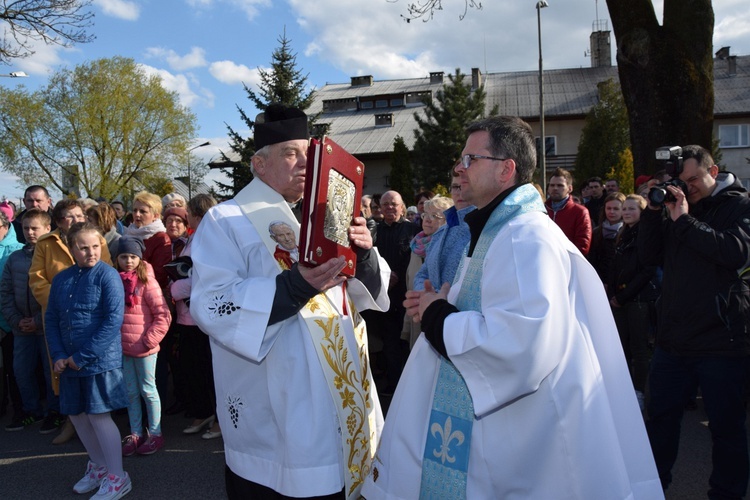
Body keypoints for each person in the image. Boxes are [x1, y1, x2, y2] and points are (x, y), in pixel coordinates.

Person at [362, 115, 661, 499]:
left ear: (506, 170)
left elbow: (521, 345)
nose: (458, 167)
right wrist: (446, 300)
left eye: (471, 158)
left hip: (519, 437)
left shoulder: (523, 237)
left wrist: (438, 312)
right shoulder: (499, 229)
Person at [189, 103, 390, 499]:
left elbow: (360, 296)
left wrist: (364, 255)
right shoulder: (226, 220)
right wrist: (294, 288)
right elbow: (212, 304)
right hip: (280, 401)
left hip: (340, 391)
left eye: (308, 154)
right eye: (290, 153)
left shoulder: (323, 215)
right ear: (259, 165)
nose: (303, 163)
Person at [638, 145, 750, 498]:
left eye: (693, 180)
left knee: (726, 430)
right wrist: (654, 213)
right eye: (681, 182)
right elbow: (648, 256)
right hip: (673, 341)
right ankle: (653, 487)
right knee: (660, 422)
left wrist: (685, 221)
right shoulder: (676, 208)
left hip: (722, 342)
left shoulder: (740, 205)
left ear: (713, 172)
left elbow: (734, 253)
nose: (688, 188)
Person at [45, 222, 131, 498]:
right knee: (77, 416)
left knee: (98, 416)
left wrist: (80, 357)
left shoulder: (108, 276)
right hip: (68, 362)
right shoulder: (61, 279)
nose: (91, 252)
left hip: (98, 362)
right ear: (72, 250)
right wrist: (58, 355)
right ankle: (100, 467)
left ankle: (118, 477)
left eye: (95, 246)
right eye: (83, 248)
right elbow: (52, 321)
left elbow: (112, 321)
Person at [29, 199, 113, 444]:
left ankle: (98, 420)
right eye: (69, 216)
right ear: (57, 221)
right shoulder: (46, 244)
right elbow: (37, 279)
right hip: (59, 318)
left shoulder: (98, 240)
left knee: (89, 366)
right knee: (62, 369)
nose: (76, 220)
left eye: (79, 215)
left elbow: (105, 271)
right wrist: (61, 303)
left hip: (90, 316)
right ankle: (71, 420)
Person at [1, 209, 62, 433]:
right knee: (21, 371)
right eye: (26, 228)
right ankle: (31, 411)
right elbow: (5, 291)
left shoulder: (53, 256)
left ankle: (55, 412)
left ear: (47, 229)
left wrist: (38, 320)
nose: (29, 232)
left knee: (50, 372)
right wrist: (16, 320)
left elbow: (56, 293)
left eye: (34, 228)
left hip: (45, 326)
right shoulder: (14, 258)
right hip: (21, 328)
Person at [171, 194, 222, 440]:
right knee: (193, 370)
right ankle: (203, 413)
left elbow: (204, 278)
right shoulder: (195, 236)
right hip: (187, 317)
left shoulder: (212, 239)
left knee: (211, 372)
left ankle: (221, 420)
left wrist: (174, 289)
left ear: (198, 215)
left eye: (188, 213)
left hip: (204, 317)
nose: (185, 217)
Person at [116, 237, 171, 457]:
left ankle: (155, 433)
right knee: (130, 392)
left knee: (148, 390)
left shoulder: (147, 281)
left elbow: (163, 315)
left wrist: (149, 340)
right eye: (123, 256)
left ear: (140, 258)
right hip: (124, 348)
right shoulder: (115, 280)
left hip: (145, 348)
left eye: (132, 256)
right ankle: (136, 432)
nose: (128, 261)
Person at [608, 194, 658, 411]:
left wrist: (623, 296)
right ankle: (624, 390)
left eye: (632, 209)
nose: (627, 212)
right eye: (624, 209)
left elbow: (647, 270)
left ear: (642, 211)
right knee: (623, 347)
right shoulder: (623, 233)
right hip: (620, 300)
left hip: (637, 300)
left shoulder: (645, 234)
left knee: (639, 349)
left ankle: (638, 392)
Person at [369, 189, 418, 394]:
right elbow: (370, 256)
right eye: (385, 204)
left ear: (402, 207)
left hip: (407, 294)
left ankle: (412, 385)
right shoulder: (376, 231)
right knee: (389, 342)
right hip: (384, 295)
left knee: (408, 341)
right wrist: (385, 275)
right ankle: (395, 384)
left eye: (393, 204)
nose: (389, 207)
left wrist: (397, 273)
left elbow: (416, 256)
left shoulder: (413, 229)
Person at [413, 166, 475, 294]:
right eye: (455, 187)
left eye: (465, 185)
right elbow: (422, 274)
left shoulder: (483, 230)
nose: (460, 192)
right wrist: (426, 296)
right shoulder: (440, 233)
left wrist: (440, 302)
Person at [402, 196, 453, 349]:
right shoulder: (416, 245)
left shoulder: (448, 248)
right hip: (415, 309)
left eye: (435, 216)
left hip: (436, 313)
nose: (428, 220)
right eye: (425, 215)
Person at [0, 210, 24, 420]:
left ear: (6, 227)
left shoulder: (18, 252)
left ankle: (20, 410)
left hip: (12, 322)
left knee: (15, 369)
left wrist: (12, 320)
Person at [123, 192, 172, 290]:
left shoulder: (161, 238)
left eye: (143, 211)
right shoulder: (128, 234)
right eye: (135, 210)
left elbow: (160, 276)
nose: (137, 214)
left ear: (155, 216)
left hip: (148, 292)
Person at [545, 167, 592, 255]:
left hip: (568, 263)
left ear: (570, 188)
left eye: (560, 185)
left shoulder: (580, 212)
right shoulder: (541, 210)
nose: (555, 188)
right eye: (552, 185)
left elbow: (582, 246)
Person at [588, 191, 626, 283]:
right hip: (598, 279)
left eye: (616, 209)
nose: (611, 212)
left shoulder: (627, 232)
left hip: (619, 281)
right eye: (608, 208)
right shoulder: (597, 232)